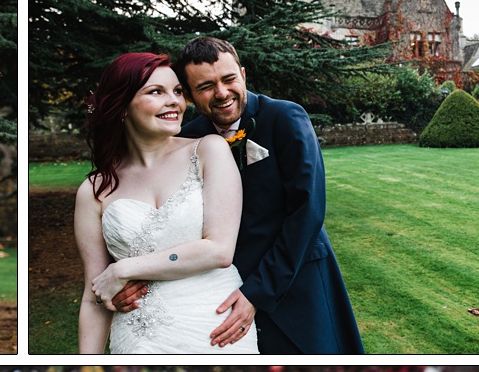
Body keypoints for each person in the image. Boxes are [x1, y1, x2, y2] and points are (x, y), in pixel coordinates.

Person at [114, 37, 365, 354]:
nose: (221, 93)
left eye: (229, 79)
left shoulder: (285, 118)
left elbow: (307, 213)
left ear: (243, 74)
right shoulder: (187, 138)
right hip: (218, 295)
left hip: (297, 286)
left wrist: (256, 294)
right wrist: (136, 280)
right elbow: (170, 218)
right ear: (190, 95)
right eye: (206, 86)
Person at [73, 51, 259, 355]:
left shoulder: (208, 151)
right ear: (122, 107)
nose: (174, 101)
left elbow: (219, 250)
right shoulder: (94, 190)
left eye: (176, 91)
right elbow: (94, 297)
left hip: (216, 329)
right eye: (156, 92)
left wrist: (124, 270)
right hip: (139, 338)